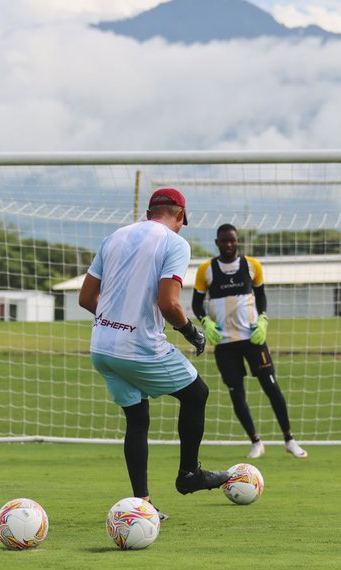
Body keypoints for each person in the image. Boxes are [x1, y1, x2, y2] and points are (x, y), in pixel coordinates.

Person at [79, 187, 232, 518]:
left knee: (137, 418)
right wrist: (192, 333)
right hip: (139, 346)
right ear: (179, 216)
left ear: (150, 212)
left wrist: (114, 324)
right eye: (182, 222)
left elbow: (86, 298)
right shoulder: (174, 242)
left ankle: (142, 503)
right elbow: (169, 303)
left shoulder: (114, 237)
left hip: (101, 347)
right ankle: (189, 474)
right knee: (197, 394)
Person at [192, 224, 308, 459]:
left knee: (272, 388)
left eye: (232, 240)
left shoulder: (252, 265)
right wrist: (205, 322)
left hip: (253, 339)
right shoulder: (206, 269)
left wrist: (263, 319)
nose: (228, 245)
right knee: (237, 393)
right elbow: (196, 303)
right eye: (223, 241)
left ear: (238, 241)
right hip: (224, 343)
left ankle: (289, 439)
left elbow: (261, 295)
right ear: (217, 243)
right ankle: (255, 441)